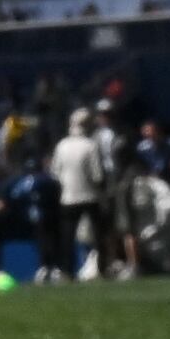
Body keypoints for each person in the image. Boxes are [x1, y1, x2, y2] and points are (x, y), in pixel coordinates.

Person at [44, 107, 110, 282]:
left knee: (67, 236)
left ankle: (66, 270)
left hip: (68, 196)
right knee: (98, 235)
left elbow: (55, 172)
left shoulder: (62, 145)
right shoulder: (90, 145)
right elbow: (98, 175)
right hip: (90, 196)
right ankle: (102, 268)